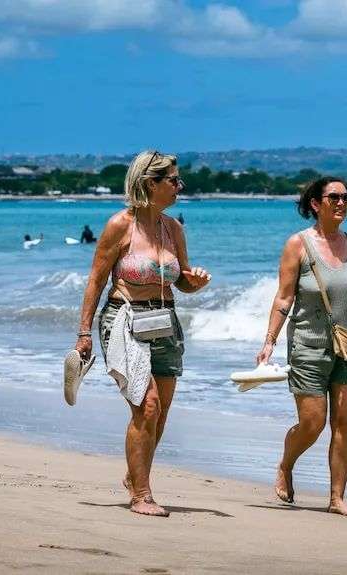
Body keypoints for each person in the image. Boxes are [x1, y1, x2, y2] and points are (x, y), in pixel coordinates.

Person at [74, 150, 211, 517]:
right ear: (151, 183)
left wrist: (194, 282)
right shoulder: (120, 225)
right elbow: (97, 280)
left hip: (166, 321)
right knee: (146, 405)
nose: (179, 186)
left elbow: (181, 282)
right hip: (124, 320)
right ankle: (142, 495)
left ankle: (134, 474)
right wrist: (84, 332)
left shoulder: (174, 228)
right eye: (173, 180)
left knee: (160, 413)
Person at [256, 176, 347, 518]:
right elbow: (284, 297)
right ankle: (286, 464)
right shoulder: (298, 245)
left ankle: (337, 497)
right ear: (316, 204)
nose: (342, 202)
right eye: (334, 197)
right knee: (313, 422)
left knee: (345, 423)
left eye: (346, 197)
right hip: (308, 346)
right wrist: (269, 341)